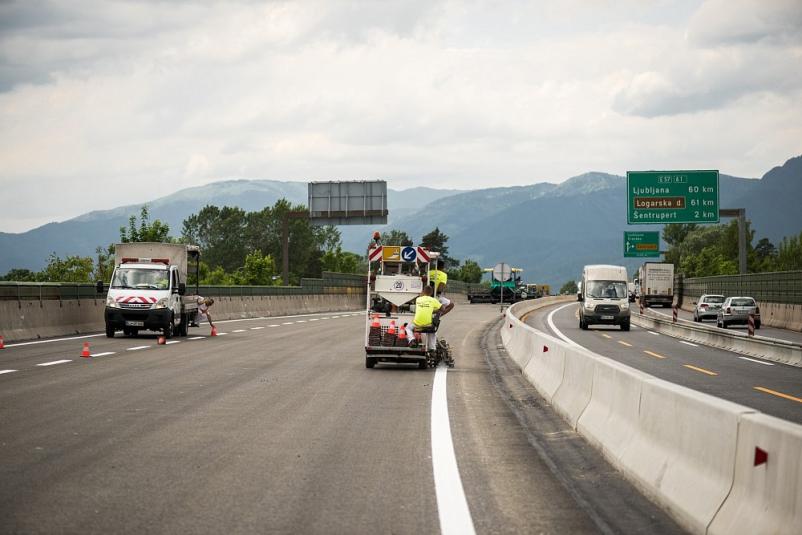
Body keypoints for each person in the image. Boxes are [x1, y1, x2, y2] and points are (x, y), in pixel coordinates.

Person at [406, 286, 454, 352]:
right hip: (427, 324)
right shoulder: (433, 300)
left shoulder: (418, 299)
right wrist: (435, 311)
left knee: (408, 328)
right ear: (431, 293)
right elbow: (442, 309)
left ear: (423, 292)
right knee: (432, 331)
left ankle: (412, 340)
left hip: (417, 323)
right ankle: (432, 349)